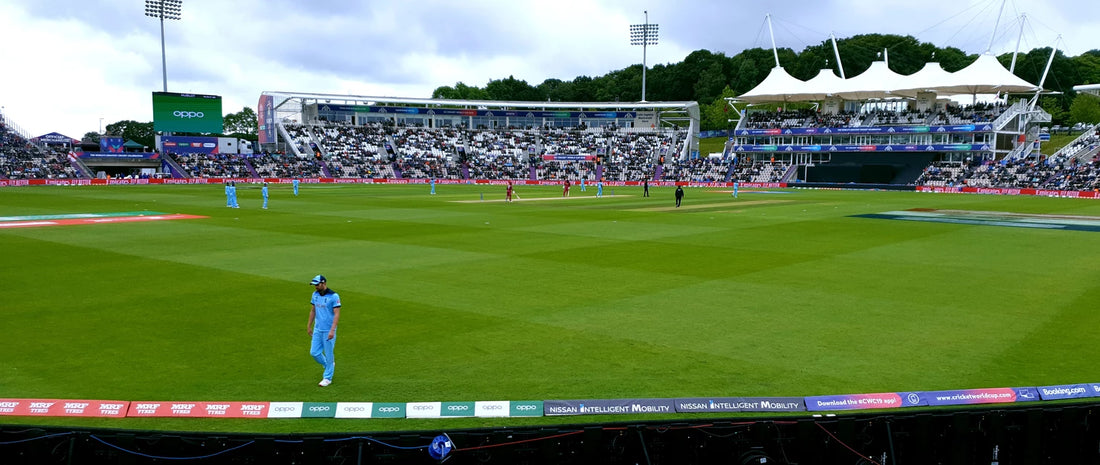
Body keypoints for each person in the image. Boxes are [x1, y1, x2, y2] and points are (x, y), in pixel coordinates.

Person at [307, 275, 341, 387]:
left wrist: (332, 330)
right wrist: (309, 326)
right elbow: (313, 311)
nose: (315, 287)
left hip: (328, 330)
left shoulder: (333, 296)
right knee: (314, 352)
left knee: (329, 354)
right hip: (318, 329)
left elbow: (337, 314)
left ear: (323, 283)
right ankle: (328, 365)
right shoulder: (315, 295)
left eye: (317, 284)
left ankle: (327, 378)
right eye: (314, 285)